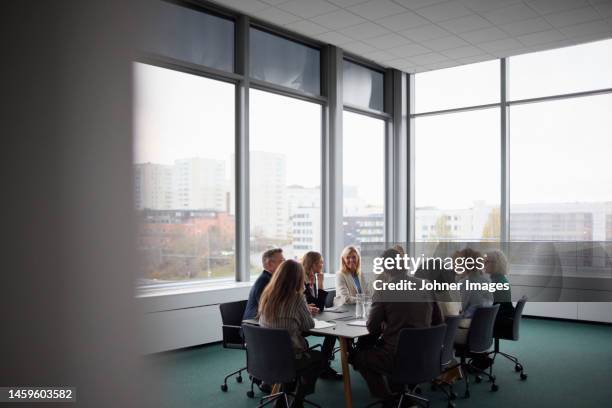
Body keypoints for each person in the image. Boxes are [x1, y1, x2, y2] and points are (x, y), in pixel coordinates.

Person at [351, 248, 443, 405]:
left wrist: (386, 322)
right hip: (427, 354)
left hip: (396, 357)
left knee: (357, 357)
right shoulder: (427, 285)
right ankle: (399, 391)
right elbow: (439, 321)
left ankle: (388, 399)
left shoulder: (383, 291)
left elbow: (372, 328)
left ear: (385, 268)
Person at [259, 260, 323, 407]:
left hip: (266, 355)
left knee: (301, 349)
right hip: (290, 357)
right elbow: (309, 325)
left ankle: (285, 392)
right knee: (319, 358)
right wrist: (304, 313)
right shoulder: (297, 297)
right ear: (298, 278)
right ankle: (297, 400)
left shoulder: (267, 295)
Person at [301, 251, 342, 381]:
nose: (322, 265)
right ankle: (323, 367)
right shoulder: (301, 281)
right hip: (301, 323)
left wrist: (320, 283)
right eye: (321, 262)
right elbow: (317, 306)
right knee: (331, 332)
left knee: (332, 331)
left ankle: (324, 367)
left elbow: (319, 307)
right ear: (313, 264)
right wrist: (321, 283)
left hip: (311, 318)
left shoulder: (312, 279)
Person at [454, 248, 494, 345]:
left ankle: (447, 357)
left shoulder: (465, 282)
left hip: (467, 329)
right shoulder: (487, 280)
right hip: (483, 329)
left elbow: (460, 309)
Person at [243, 248, 284, 321]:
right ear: (270, 264)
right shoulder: (264, 281)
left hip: (264, 324)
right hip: (254, 327)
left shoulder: (271, 279)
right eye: (281, 261)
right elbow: (270, 309)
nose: (284, 264)